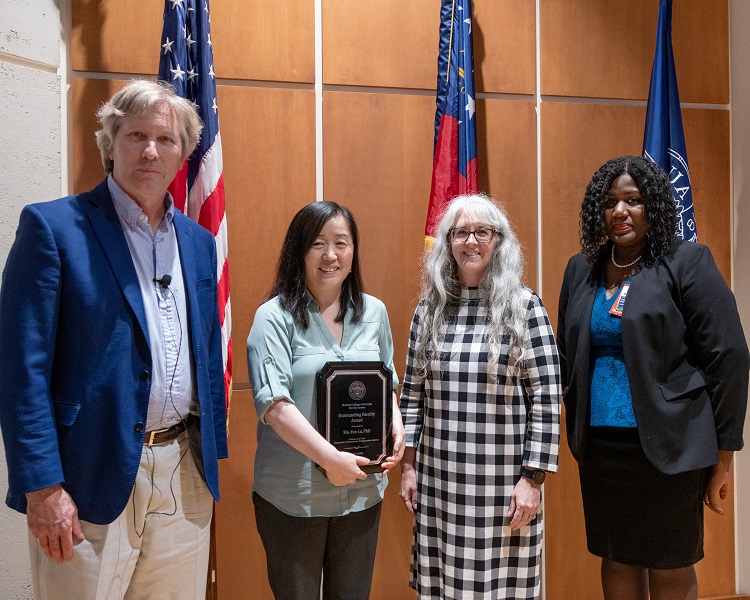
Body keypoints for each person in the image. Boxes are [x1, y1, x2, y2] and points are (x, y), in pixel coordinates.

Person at [0, 80, 228, 600]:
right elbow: (21, 370)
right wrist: (43, 487)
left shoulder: (197, 242)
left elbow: (207, 351)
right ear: (111, 142)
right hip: (86, 475)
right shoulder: (54, 228)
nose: (151, 150)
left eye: (165, 139)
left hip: (182, 471)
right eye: (136, 135)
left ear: (183, 152)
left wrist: (208, 456)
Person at [557, 155, 749, 600]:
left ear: (654, 207)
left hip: (671, 446)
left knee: (669, 562)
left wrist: (724, 453)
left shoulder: (686, 262)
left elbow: (730, 356)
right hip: (602, 448)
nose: (620, 211)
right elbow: (567, 355)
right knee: (617, 557)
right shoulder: (579, 270)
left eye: (634, 200)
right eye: (610, 203)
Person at [399, 194, 561, 599]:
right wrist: (408, 467)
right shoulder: (429, 309)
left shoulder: (524, 307)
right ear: (447, 242)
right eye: (461, 232)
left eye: (482, 232)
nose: (471, 242)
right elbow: (412, 395)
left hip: (504, 486)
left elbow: (547, 395)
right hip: (441, 486)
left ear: (498, 241)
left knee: (501, 589)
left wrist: (533, 479)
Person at [246, 200, 405, 600]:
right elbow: (275, 406)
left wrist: (396, 425)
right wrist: (328, 458)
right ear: (298, 251)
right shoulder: (273, 317)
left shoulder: (375, 312)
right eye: (318, 243)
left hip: (362, 492)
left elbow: (385, 380)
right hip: (293, 498)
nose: (331, 255)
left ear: (354, 251)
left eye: (341, 242)